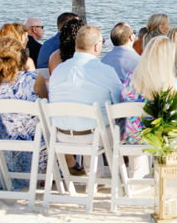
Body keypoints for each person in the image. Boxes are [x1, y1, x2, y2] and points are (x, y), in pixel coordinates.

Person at [47, 25, 121, 172]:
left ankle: (92, 174)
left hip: (61, 136)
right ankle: (128, 175)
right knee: (124, 127)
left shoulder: (59, 70)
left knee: (96, 122)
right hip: (94, 136)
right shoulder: (105, 71)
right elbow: (119, 104)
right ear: (96, 46)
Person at [0, 36, 48, 172]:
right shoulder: (35, 79)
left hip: (3, 145)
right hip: (34, 145)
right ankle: (47, 171)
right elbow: (46, 106)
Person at [120, 36, 177, 145]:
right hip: (164, 139)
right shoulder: (171, 84)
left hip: (135, 137)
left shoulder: (131, 79)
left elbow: (123, 98)